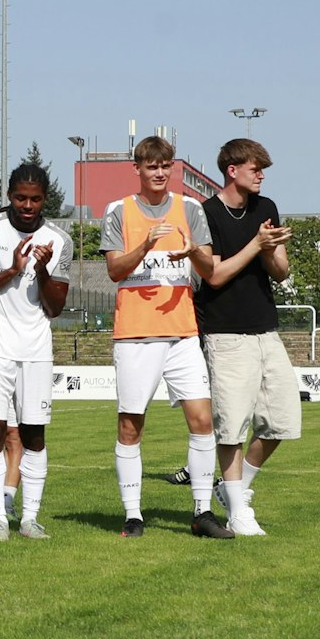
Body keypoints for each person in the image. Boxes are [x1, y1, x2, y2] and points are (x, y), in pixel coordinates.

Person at [102, 136, 227, 540]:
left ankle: (202, 512)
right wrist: (145, 245)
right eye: (151, 165)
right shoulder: (118, 210)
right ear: (137, 168)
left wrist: (193, 252)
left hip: (183, 333)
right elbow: (115, 270)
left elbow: (208, 269)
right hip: (135, 335)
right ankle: (133, 515)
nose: (159, 172)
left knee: (202, 420)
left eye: (165, 165)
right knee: (131, 425)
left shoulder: (190, 208)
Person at [194, 138, 297, 537]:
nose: (262, 176)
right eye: (256, 169)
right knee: (232, 427)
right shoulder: (206, 214)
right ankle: (238, 512)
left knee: (282, 422)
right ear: (232, 170)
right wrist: (257, 244)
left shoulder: (266, 207)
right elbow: (214, 275)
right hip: (225, 334)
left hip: (266, 330)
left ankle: (234, 489)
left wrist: (269, 249)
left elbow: (281, 272)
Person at [0, 164, 71, 540]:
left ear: (44, 199)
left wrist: (41, 271)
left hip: (35, 350)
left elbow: (55, 308)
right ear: (9, 195)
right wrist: (14, 269)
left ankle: (29, 519)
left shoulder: (59, 240)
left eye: (35, 199)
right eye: (20, 198)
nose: (27, 205)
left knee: (34, 434)